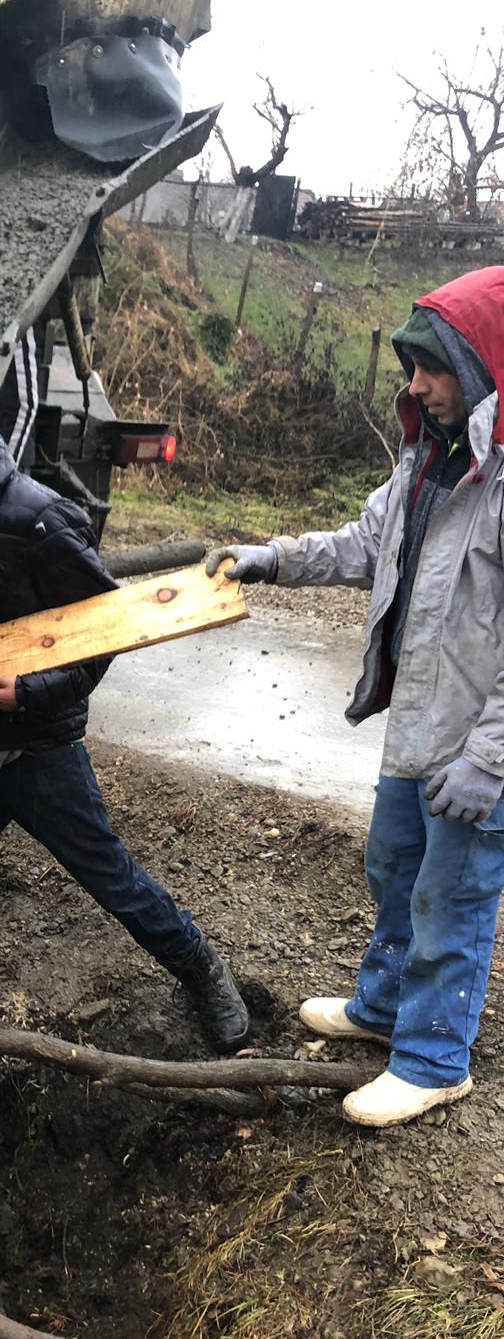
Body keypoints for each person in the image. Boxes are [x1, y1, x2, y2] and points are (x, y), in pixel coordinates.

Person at [206, 265, 504, 1128]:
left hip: (478, 746)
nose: (416, 386)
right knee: (394, 869)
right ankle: (384, 1008)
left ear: (481, 368)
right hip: (418, 723)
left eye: (433, 368)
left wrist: (490, 760)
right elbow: (360, 545)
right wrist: (271, 559)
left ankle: (435, 1060)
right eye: (413, 368)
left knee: (452, 898)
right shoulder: (427, 462)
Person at [0, 369, 249, 1050]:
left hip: (39, 751)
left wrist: (29, 692)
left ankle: (202, 968)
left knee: (111, 878)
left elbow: (105, 637)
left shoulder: (43, 521)